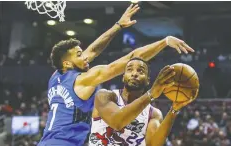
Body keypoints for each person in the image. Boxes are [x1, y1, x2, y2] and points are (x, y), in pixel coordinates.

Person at [38, 3, 194, 146]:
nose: (85, 56)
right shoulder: (84, 80)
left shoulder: (56, 76)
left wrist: (118, 25)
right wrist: (164, 42)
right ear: (67, 63)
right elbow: (132, 57)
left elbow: (92, 51)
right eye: (79, 55)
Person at [89, 58, 198, 146]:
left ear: (147, 80)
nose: (134, 74)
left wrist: (174, 110)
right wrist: (151, 94)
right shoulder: (105, 95)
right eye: (130, 69)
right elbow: (117, 122)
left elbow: (153, 145)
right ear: (123, 77)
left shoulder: (153, 113)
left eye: (140, 71)